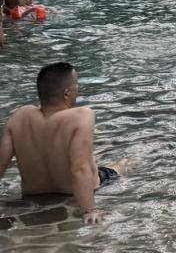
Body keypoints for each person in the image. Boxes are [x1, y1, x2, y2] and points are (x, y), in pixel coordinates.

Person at [0, 63, 127, 224]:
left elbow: (1, 165)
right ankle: (127, 160)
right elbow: (79, 168)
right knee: (122, 164)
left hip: (33, 195)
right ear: (67, 93)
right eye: (77, 86)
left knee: (91, 155)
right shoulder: (81, 115)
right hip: (75, 191)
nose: (78, 90)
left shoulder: (19, 116)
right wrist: (91, 209)